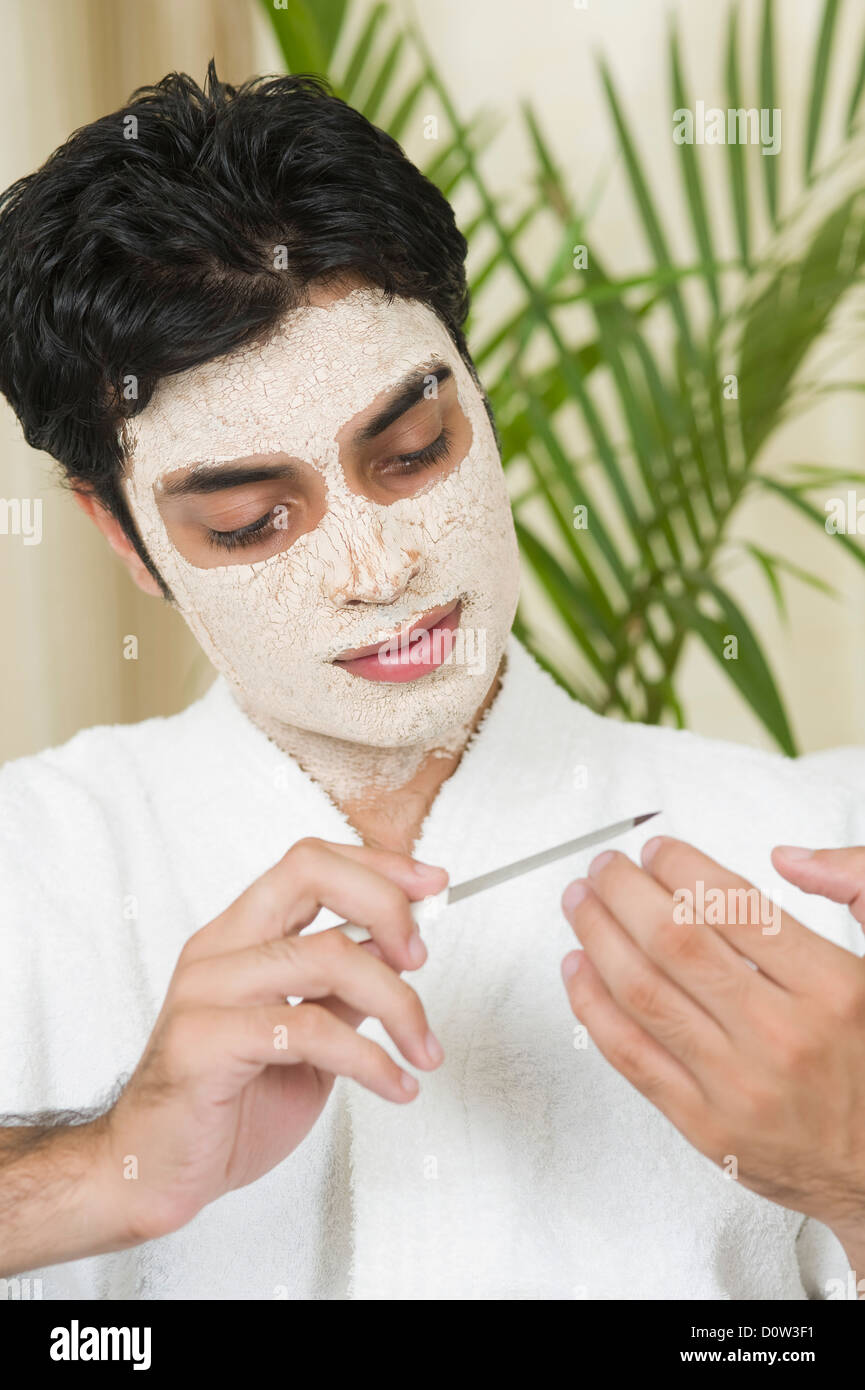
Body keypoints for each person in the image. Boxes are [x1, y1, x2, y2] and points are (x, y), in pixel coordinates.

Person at [0, 62, 863, 1301]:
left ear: (478, 388)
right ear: (122, 537)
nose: (377, 565)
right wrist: (101, 1168)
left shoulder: (823, 855)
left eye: (410, 451)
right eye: (249, 519)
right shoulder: (26, 879)